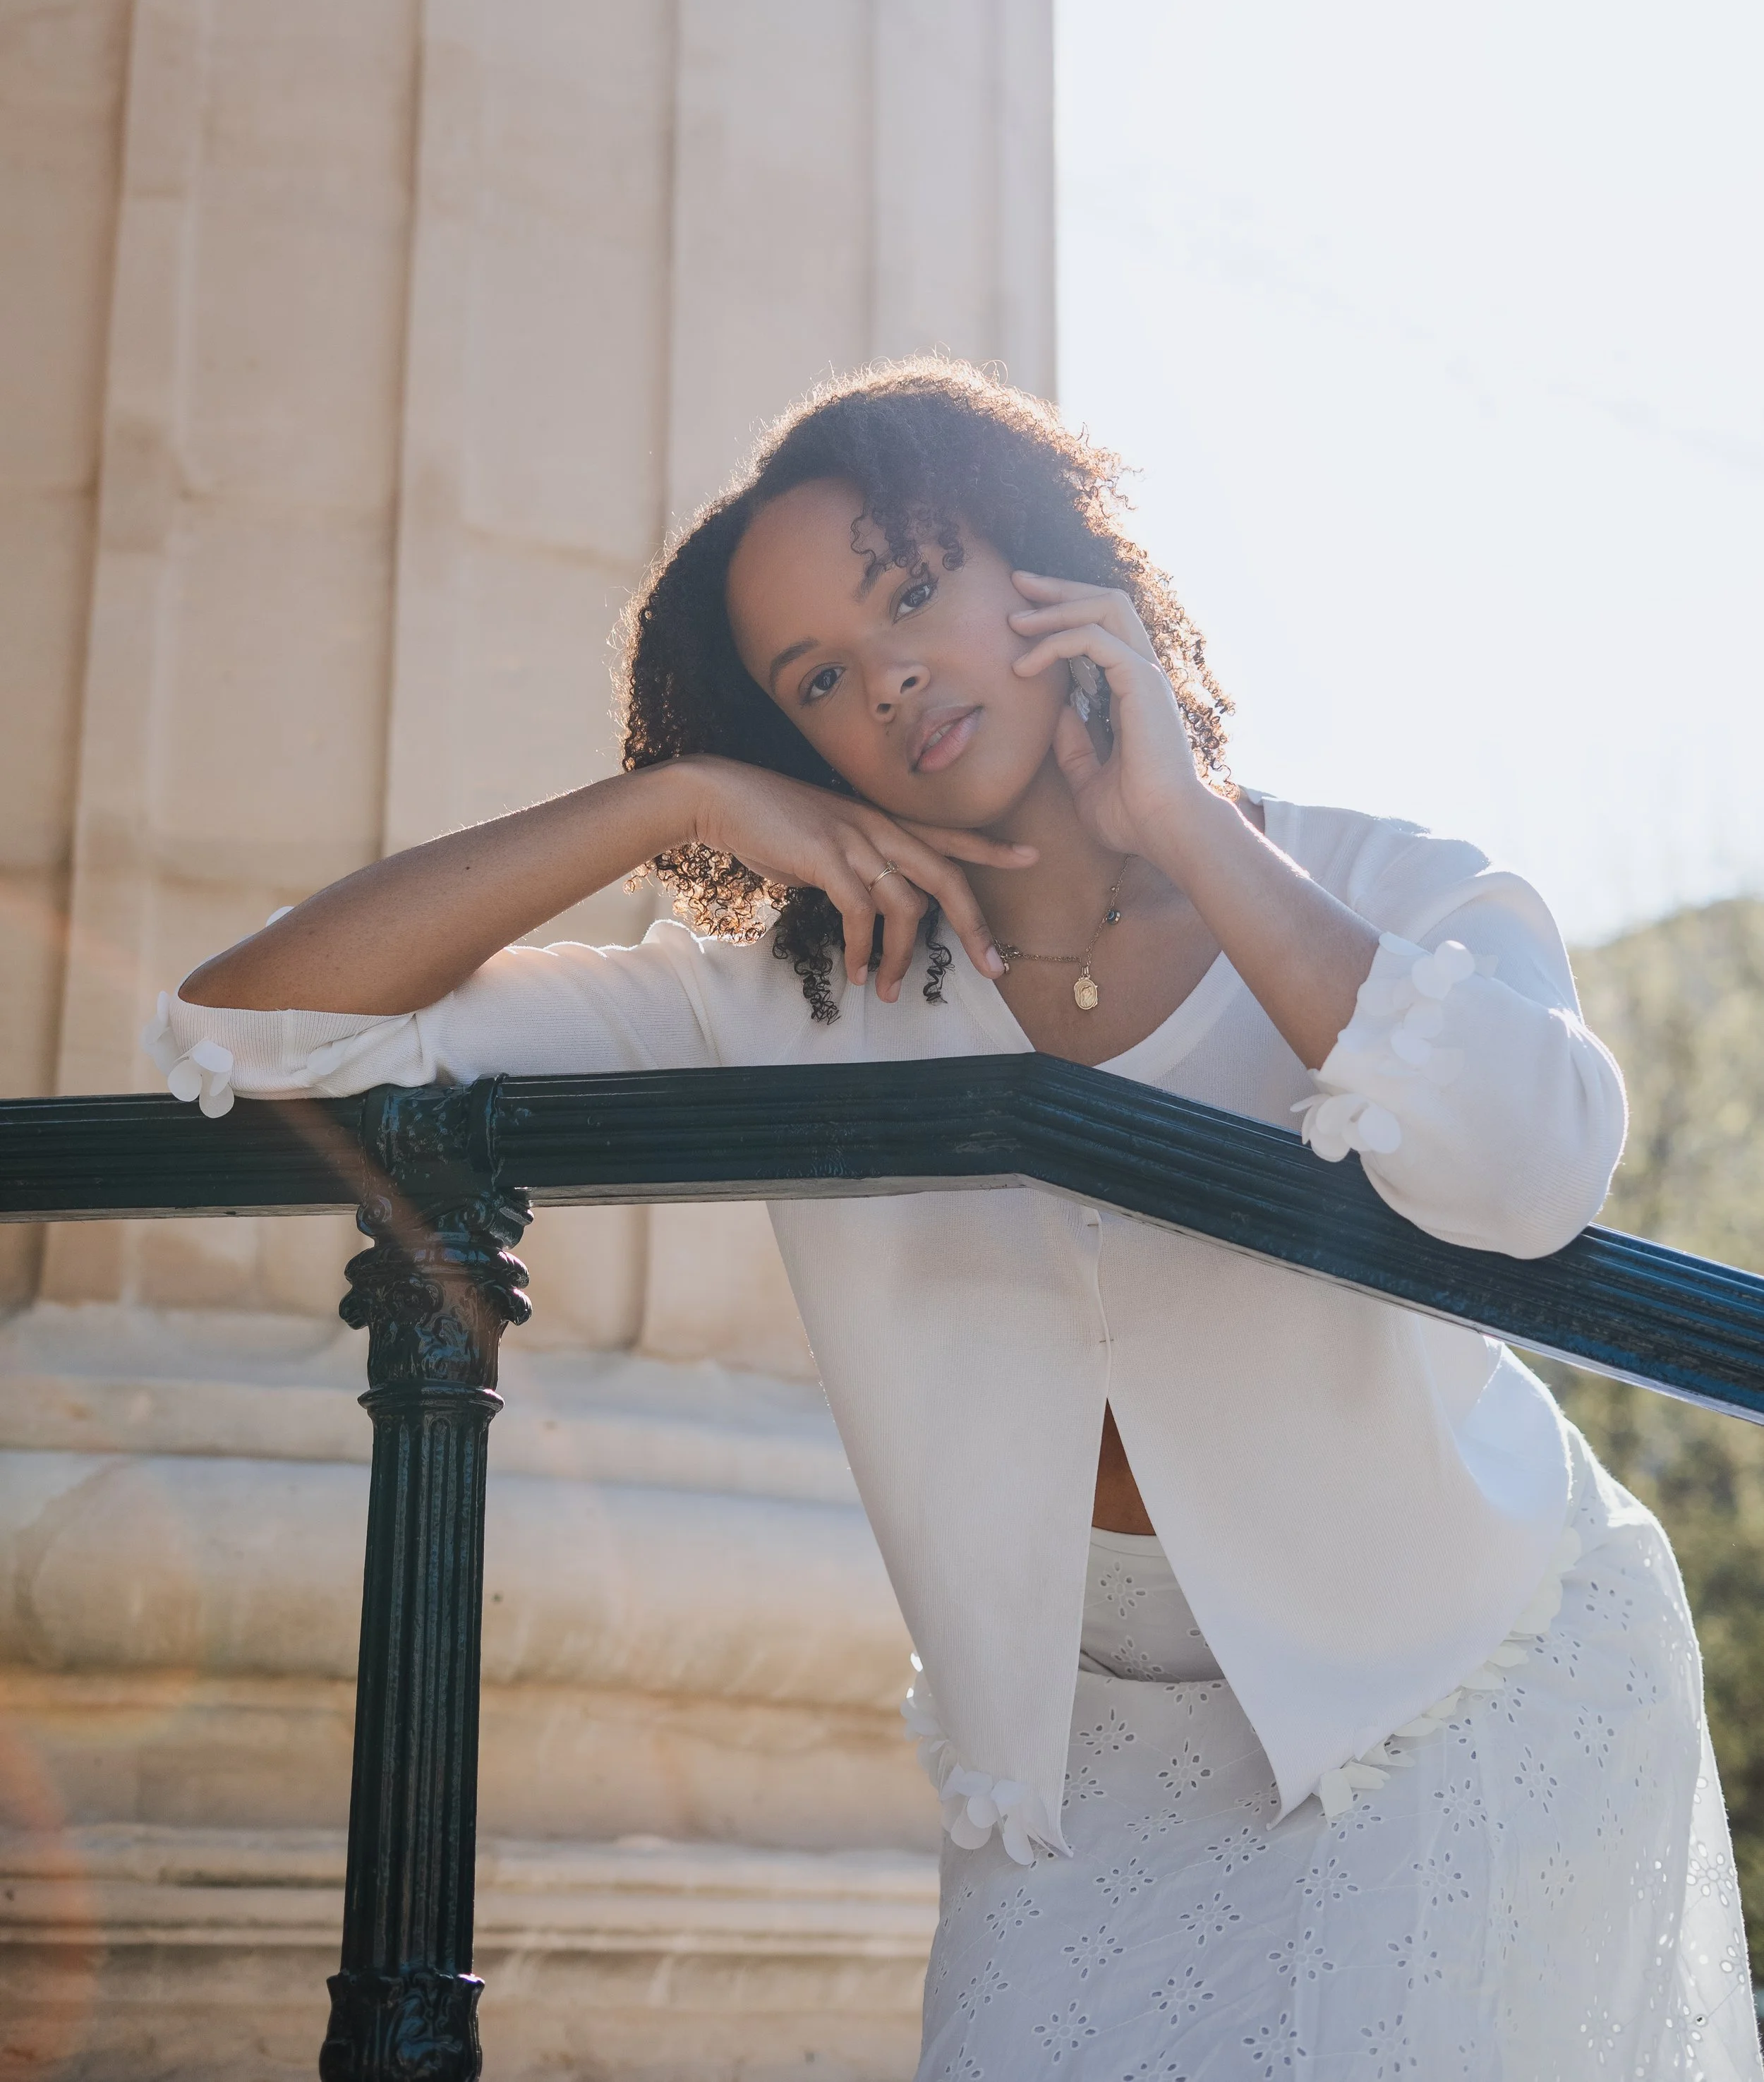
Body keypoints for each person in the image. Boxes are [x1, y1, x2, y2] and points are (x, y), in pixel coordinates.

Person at [151, 362, 1759, 2078]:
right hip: (1073, 1772)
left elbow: (1523, 1176)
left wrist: (1187, 828)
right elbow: (252, 1041)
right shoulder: (776, 1000)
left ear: (1046, 575)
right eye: (817, 677)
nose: (890, 671)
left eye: (910, 590)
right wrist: (665, 807)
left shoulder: (1378, 884)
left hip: (1459, 1693)